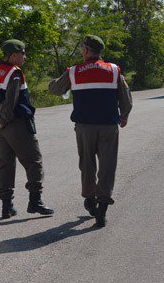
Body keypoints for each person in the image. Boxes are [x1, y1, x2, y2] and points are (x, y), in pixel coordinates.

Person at [49, 35, 132, 228]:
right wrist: (124, 115)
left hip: (84, 127)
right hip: (109, 127)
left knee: (87, 165)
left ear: (86, 50)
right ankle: (102, 210)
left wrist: (52, 82)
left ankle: (89, 199)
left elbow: (56, 90)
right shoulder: (114, 70)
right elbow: (125, 97)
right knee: (107, 166)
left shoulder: (74, 71)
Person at [0, 39, 54, 219]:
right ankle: (35, 201)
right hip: (15, 124)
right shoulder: (14, 73)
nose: (25, 56)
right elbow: (11, 100)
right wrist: (4, 119)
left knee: (6, 164)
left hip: (0, 128)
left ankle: (7, 206)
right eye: (22, 53)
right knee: (34, 161)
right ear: (13, 55)